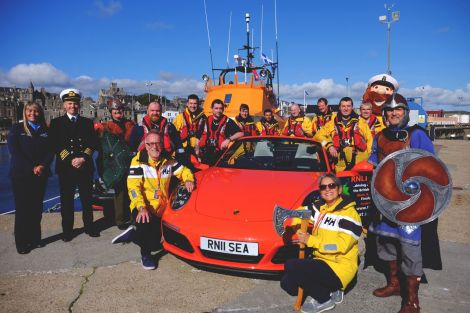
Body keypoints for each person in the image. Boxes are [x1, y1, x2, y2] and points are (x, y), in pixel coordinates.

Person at [368, 93, 442, 313]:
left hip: (411, 204)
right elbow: (375, 158)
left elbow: (432, 167)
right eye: (390, 110)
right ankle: (394, 284)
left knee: (410, 249)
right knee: (388, 242)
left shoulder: (417, 135)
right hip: (386, 200)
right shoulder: (380, 136)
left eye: (398, 109)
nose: (393, 113)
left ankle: (412, 301)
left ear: (405, 113)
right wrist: (365, 167)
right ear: (384, 114)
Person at [281, 173, 362, 313]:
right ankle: (329, 287)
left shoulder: (349, 214)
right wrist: (297, 225)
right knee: (288, 285)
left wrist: (310, 241)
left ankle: (325, 299)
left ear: (339, 189)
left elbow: (339, 246)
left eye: (332, 186)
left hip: (339, 266)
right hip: (320, 260)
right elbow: (302, 212)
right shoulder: (320, 208)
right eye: (323, 187)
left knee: (292, 265)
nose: (327, 189)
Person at [126, 130, 194, 270]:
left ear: (162, 145)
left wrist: (188, 179)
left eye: (158, 143)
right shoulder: (138, 161)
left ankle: (134, 235)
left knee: (156, 243)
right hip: (143, 207)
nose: (154, 147)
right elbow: (133, 188)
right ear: (145, 145)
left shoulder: (168, 160)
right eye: (151, 144)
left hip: (161, 208)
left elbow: (184, 170)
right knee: (147, 237)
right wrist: (141, 207)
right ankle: (146, 255)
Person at [49, 88, 100, 241]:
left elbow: (93, 143)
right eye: (70, 103)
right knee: (66, 201)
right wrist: (71, 159)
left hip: (85, 166)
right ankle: (67, 231)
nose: (73, 106)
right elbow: (55, 145)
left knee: (86, 199)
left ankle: (89, 227)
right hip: (66, 168)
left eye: (75, 103)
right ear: (64, 105)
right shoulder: (56, 123)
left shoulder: (87, 122)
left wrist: (83, 158)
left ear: (79, 105)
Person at [7, 102, 54, 254]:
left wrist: (42, 166)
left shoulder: (46, 130)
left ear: (40, 112)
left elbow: (50, 151)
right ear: (25, 112)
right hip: (21, 175)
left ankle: (35, 238)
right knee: (22, 209)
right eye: (29, 111)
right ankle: (21, 242)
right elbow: (15, 152)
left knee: (36, 208)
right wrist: (31, 167)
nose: (32, 114)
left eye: (35, 111)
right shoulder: (16, 129)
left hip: (40, 174)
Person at [96, 99, 135, 229]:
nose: (118, 113)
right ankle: (120, 220)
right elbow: (102, 149)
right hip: (116, 164)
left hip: (130, 162)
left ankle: (132, 217)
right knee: (120, 192)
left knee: (132, 191)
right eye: (115, 111)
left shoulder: (131, 125)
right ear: (111, 112)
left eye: (120, 111)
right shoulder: (105, 127)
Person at [314, 97, 372, 172]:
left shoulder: (361, 122)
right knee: (341, 183)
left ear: (352, 107)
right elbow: (318, 136)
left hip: (360, 164)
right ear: (339, 107)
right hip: (340, 165)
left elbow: (370, 141)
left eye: (348, 106)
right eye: (343, 106)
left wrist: (369, 159)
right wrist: (329, 146)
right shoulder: (332, 123)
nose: (346, 109)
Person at [198, 99, 243, 166]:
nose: (218, 111)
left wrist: (228, 139)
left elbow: (241, 133)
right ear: (212, 109)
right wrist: (197, 154)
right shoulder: (205, 121)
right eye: (216, 108)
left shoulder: (228, 121)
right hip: (205, 156)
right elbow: (197, 137)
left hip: (220, 158)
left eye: (221, 108)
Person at [173, 94, 207, 163]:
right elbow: (173, 135)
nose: (193, 106)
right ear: (187, 104)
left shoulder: (203, 118)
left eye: (195, 103)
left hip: (199, 150)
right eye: (191, 103)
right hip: (184, 150)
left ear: (198, 104)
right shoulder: (180, 118)